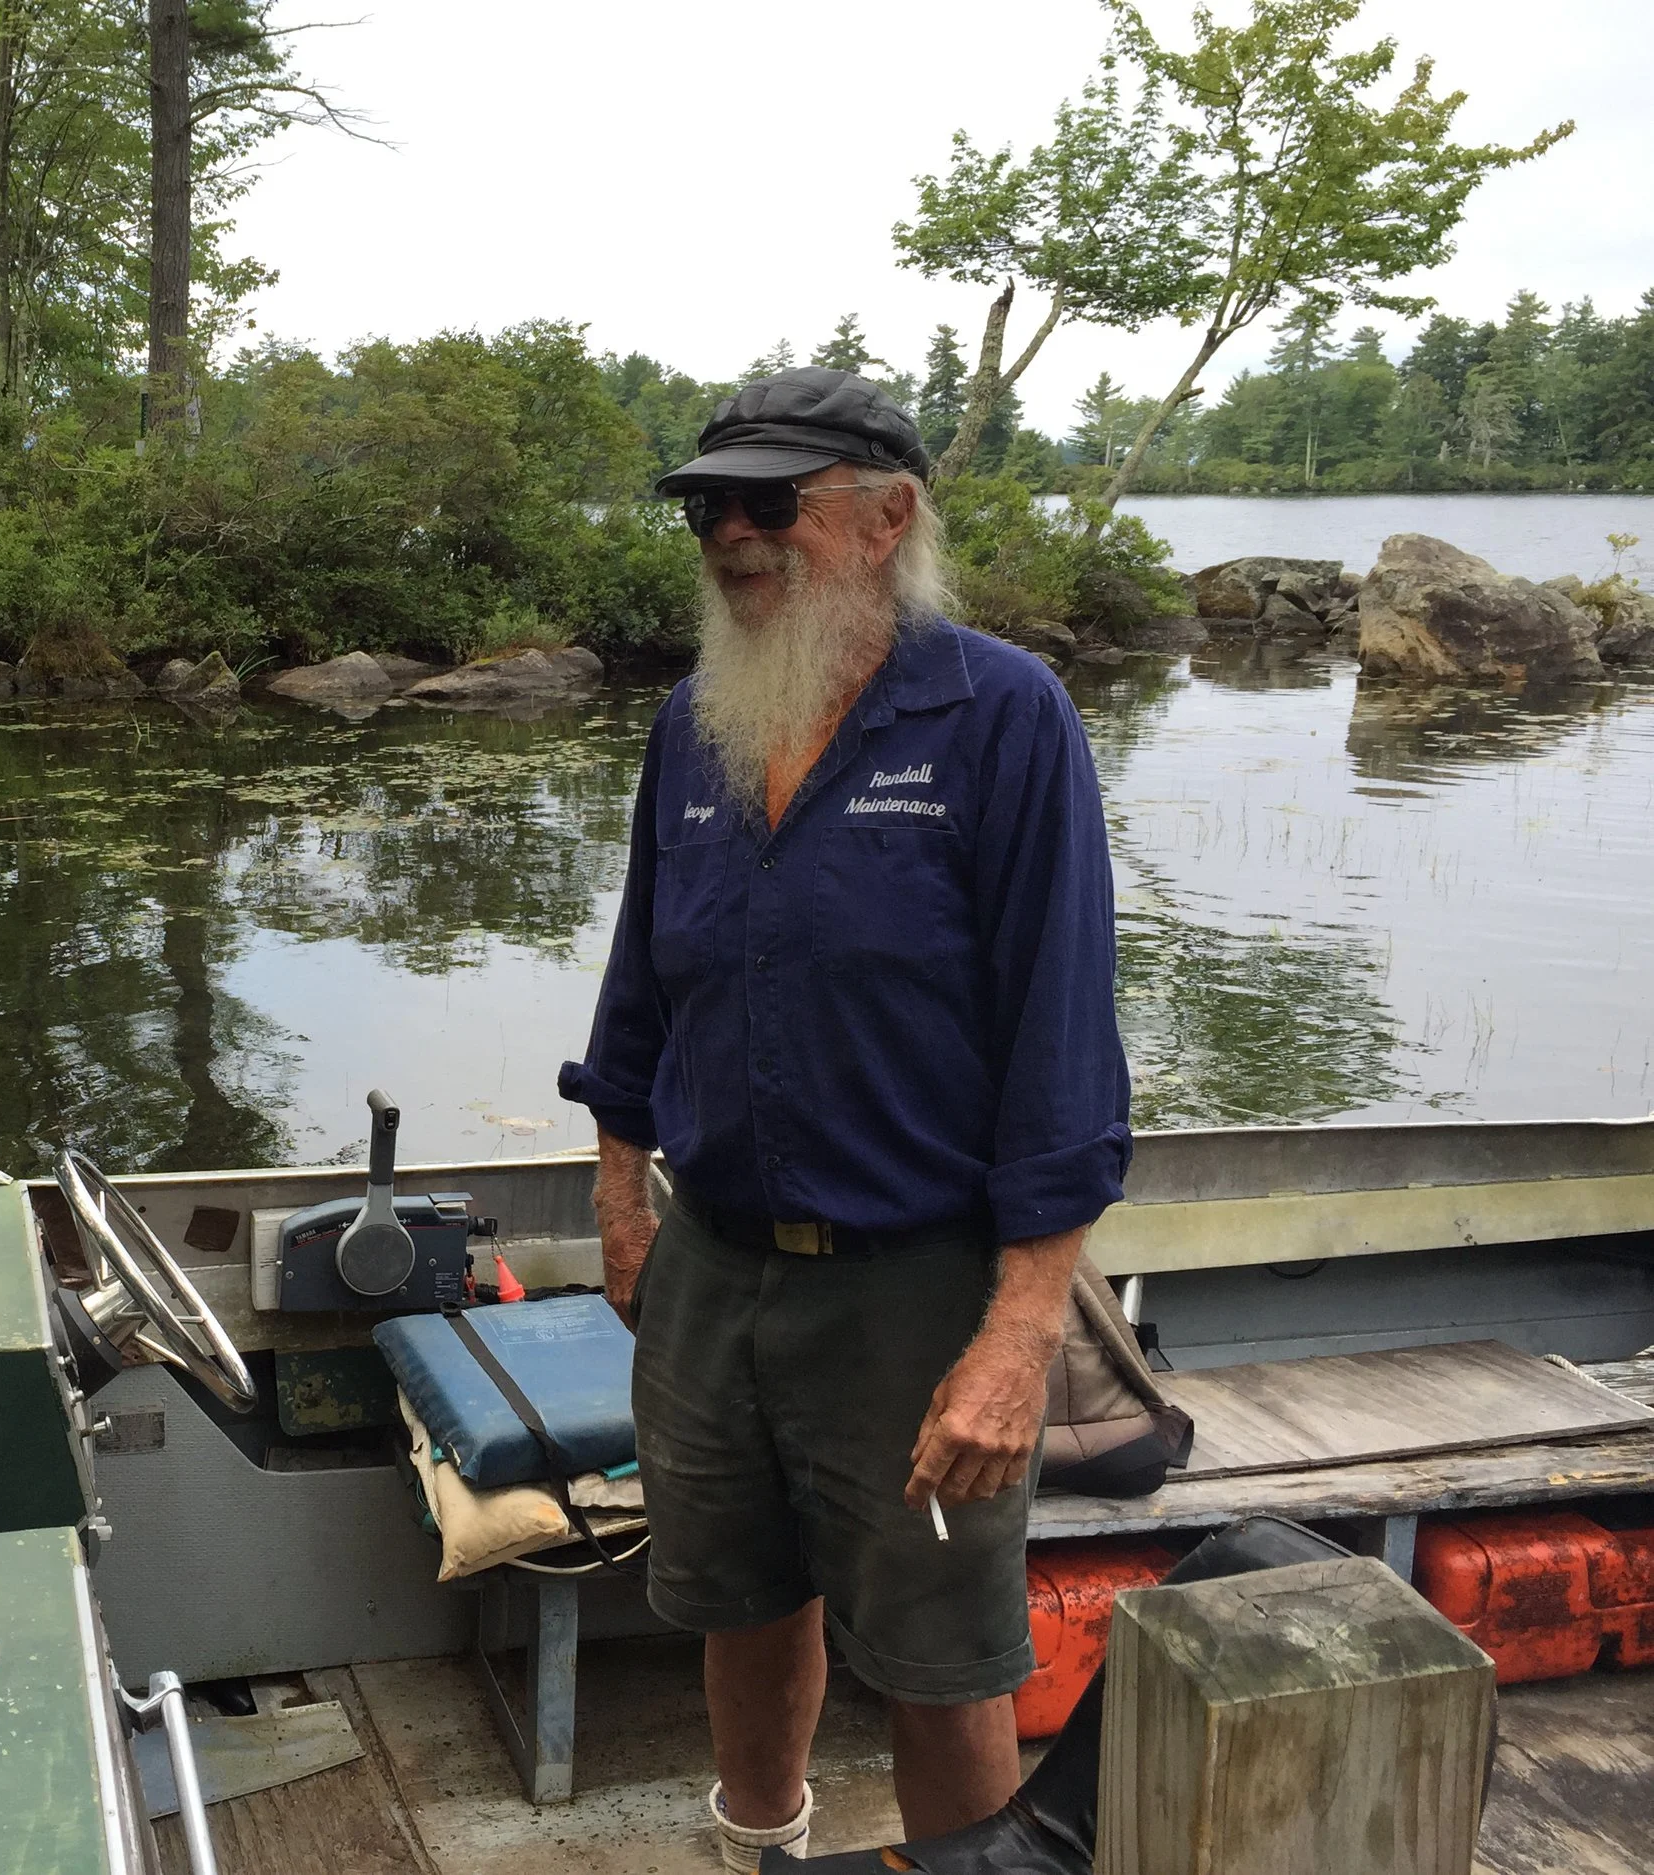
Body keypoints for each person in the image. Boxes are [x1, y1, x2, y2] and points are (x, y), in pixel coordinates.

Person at [557, 366, 1130, 1869]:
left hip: (917, 1283)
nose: (730, 535)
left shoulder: (1004, 718)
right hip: (716, 1263)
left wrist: (1019, 1337)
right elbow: (641, 987)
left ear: (885, 519)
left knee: (943, 1653)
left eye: (769, 504)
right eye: (707, 507)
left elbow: (1064, 1053)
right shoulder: (695, 725)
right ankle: (763, 1842)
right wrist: (623, 1196)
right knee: (737, 1598)